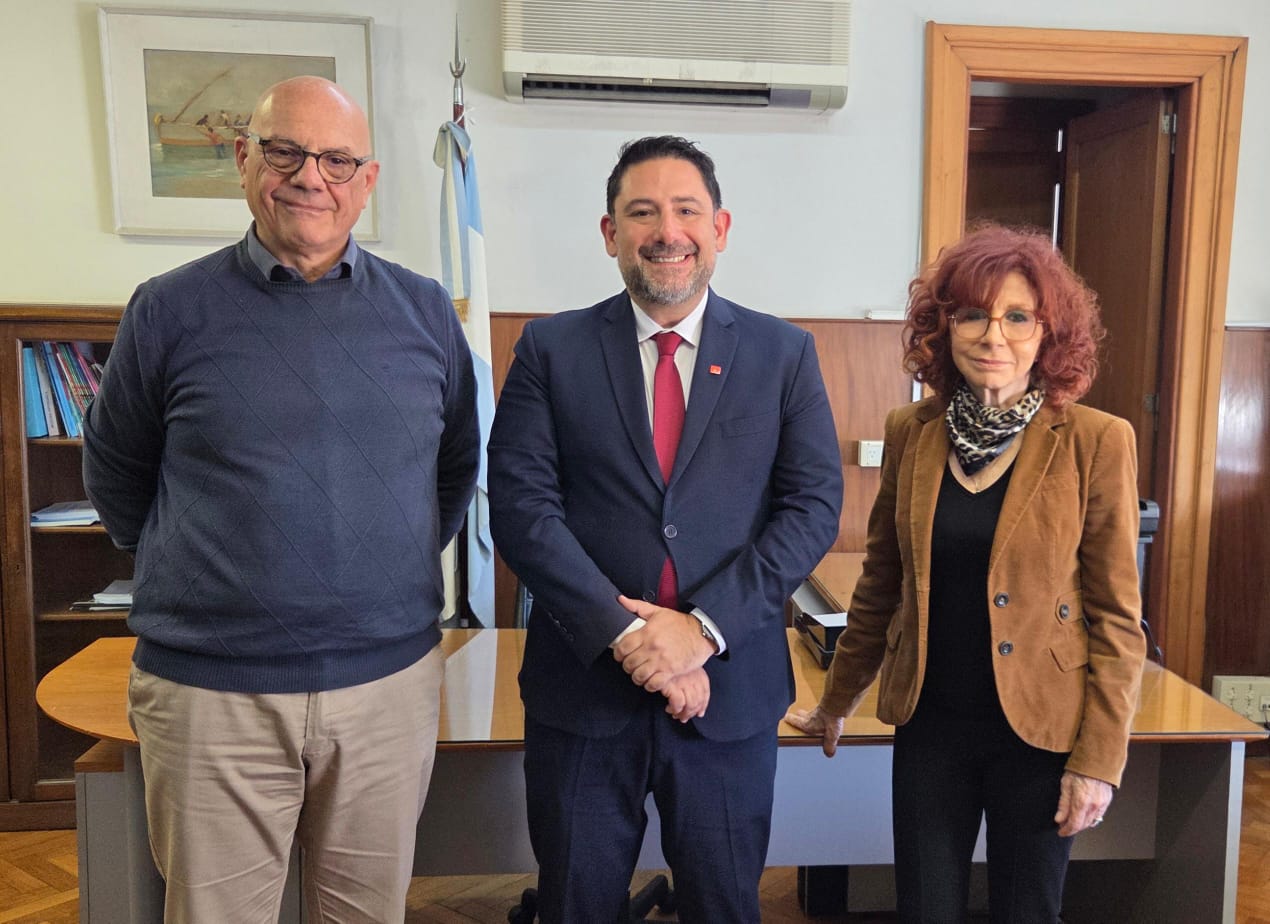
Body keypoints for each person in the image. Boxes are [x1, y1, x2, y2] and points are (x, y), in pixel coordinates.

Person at [83, 76, 478, 923]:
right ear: (243, 159)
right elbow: (117, 475)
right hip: (211, 698)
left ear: (367, 181)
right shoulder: (167, 309)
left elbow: (451, 471)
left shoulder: (424, 311)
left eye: (337, 160)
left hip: (386, 688)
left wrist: (379, 571)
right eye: (285, 152)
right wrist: (221, 575)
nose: (310, 178)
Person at [487, 135, 843, 923]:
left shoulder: (784, 354)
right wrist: (631, 639)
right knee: (575, 905)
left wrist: (701, 631)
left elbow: (813, 507)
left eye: (686, 211)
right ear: (610, 233)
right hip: (583, 694)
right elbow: (521, 509)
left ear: (720, 228)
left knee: (724, 906)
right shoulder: (549, 349)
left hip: (730, 694)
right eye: (642, 212)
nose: (667, 231)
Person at [785, 224, 1148, 923]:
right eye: (973, 314)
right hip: (932, 727)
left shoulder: (1097, 441)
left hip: (1041, 732)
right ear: (944, 325)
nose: (993, 335)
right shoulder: (911, 431)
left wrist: (1099, 762)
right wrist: (836, 701)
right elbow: (880, 585)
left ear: (1048, 334)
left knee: (1025, 912)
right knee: (925, 909)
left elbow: (1116, 619)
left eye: (1018, 317)